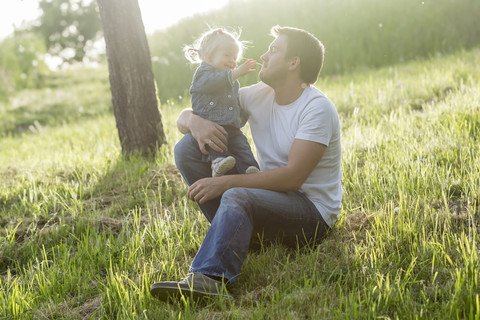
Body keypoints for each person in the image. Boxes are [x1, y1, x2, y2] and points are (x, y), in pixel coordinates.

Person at [150, 25, 342, 302]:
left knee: (236, 193)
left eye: (273, 50)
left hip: (311, 215)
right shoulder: (259, 95)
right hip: (270, 199)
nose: (263, 56)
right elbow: (191, 113)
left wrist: (224, 182)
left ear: (293, 62)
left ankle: (210, 277)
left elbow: (292, 179)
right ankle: (244, 240)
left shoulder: (317, 108)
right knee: (187, 148)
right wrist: (195, 122)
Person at [183, 27, 260, 177]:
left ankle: (249, 168)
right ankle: (217, 162)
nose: (232, 61)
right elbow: (212, 83)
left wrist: (242, 115)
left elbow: (232, 102)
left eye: (235, 58)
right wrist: (235, 74)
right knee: (217, 144)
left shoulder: (232, 80)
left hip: (231, 125)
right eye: (227, 55)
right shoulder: (203, 73)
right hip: (212, 124)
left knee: (242, 146)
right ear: (208, 56)